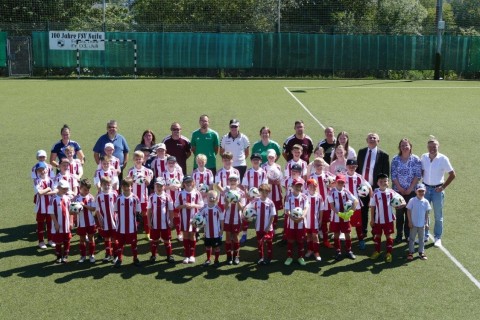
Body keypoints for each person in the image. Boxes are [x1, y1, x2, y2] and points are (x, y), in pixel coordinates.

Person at [420, 136, 455, 247]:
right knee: (424, 214)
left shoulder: (443, 159)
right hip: (425, 189)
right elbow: (421, 171)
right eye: (430, 146)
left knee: (438, 215)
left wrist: (443, 187)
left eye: (434, 146)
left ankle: (437, 237)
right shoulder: (424, 157)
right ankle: (425, 235)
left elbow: (452, 174)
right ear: (427, 147)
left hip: (437, 190)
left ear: (438, 146)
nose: (432, 148)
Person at [356, 132, 390, 235]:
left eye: (374, 138)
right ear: (367, 140)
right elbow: (358, 169)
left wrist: (383, 185)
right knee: (363, 209)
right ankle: (363, 231)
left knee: (376, 211)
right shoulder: (361, 152)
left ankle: (375, 232)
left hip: (376, 188)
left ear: (378, 141)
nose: (371, 139)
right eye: (370, 138)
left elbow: (385, 173)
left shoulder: (383, 155)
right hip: (362, 187)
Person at [391, 138, 422, 243]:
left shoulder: (416, 159)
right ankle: (399, 235)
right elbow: (393, 175)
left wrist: (410, 188)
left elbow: (417, 175)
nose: (404, 147)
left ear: (410, 147)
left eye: (406, 145)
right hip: (398, 192)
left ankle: (408, 235)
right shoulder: (395, 159)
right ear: (400, 147)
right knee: (399, 214)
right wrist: (400, 188)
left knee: (409, 214)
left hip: (411, 192)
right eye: (402, 145)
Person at [369, 173, 404, 263]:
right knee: (377, 235)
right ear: (377, 183)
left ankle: (389, 253)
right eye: (381, 181)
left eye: (385, 181)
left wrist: (400, 205)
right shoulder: (375, 193)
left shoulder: (391, 192)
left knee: (389, 236)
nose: (383, 182)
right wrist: (372, 219)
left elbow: (402, 200)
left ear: (388, 182)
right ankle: (377, 251)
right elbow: (372, 206)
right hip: (378, 220)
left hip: (388, 219)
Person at [328, 174, 359, 261]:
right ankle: (338, 251)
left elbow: (355, 201)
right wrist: (340, 214)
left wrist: (351, 211)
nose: (340, 183)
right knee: (336, 234)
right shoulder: (331, 192)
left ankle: (349, 251)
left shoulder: (346, 191)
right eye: (339, 181)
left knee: (347, 234)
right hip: (336, 217)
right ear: (336, 182)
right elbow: (332, 206)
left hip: (346, 217)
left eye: (342, 182)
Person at [175, 176, 204, 264]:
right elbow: (176, 206)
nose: (188, 184)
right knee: (185, 236)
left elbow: (201, 205)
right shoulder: (180, 193)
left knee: (192, 236)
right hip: (184, 218)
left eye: (190, 182)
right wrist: (184, 206)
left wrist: (193, 205)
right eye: (186, 182)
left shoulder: (197, 193)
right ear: (183, 184)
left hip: (194, 218)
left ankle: (192, 255)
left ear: (193, 183)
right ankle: (186, 255)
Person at [240, 153, 267, 244]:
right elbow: (245, 185)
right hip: (249, 199)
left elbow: (264, 185)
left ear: (260, 161)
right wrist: (248, 193)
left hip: (259, 198)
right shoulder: (248, 172)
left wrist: (259, 195)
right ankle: (244, 234)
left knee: (260, 217)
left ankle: (260, 234)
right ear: (251, 161)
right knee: (246, 216)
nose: (256, 161)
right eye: (254, 159)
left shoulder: (263, 172)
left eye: (258, 159)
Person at [114, 178, 141, 268]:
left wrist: (137, 223)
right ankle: (119, 259)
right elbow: (116, 211)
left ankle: (135, 258)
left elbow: (138, 212)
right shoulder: (118, 198)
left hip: (132, 227)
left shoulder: (135, 198)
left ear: (131, 187)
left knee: (134, 243)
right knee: (120, 244)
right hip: (120, 226)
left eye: (128, 186)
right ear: (122, 187)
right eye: (125, 186)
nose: (126, 188)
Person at [344, 159, 371, 250]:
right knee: (346, 224)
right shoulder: (342, 176)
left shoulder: (359, 177)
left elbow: (368, 186)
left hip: (357, 205)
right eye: (350, 166)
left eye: (354, 166)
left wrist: (371, 195)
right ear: (346, 166)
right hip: (345, 205)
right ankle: (347, 242)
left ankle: (361, 240)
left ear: (356, 167)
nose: (351, 168)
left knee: (358, 224)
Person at [147, 177, 175, 263]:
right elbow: (149, 210)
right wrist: (149, 222)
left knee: (167, 240)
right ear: (155, 186)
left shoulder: (167, 197)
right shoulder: (151, 197)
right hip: (154, 223)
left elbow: (170, 210)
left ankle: (169, 255)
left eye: (160, 186)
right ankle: (153, 255)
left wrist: (171, 221)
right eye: (157, 186)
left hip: (165, 223)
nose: (159, 188)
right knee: (154, 240)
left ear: (164, 187)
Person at [309, 157, 335, 248]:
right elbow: (306, 190)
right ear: (314, 166)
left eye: (321, 165)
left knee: (324, 222)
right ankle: (313, 241)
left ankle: (326, 240)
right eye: (317, 165)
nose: (319, 166)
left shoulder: (328, 175)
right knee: (314, 221)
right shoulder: (311, 177)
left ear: (324, 165)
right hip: (315, 204)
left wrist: (332, 184)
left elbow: (336, 183)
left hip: (326, 203)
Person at [127, 151, 154, 240]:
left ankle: (147, 233)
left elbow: (148, 183)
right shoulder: (131, 171)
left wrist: (143, 178)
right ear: (134, 160)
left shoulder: (147, 171)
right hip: (133, 197)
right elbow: (128, 183)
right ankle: (132, 232)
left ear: (143, 160)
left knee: (145, 214)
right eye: (136, 159)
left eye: (140, 159)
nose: (138, 160)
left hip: (143, 197)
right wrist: (133, 179)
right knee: (133, 215)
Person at [247, 184, 276, 265]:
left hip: (268, 228)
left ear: (268, 193)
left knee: (269, 242)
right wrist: (246, 215)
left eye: (266, 192)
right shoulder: (255, 200)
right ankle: (261, 258)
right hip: (258, 227)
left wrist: (268, 226)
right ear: (259, 192)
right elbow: (247, 208)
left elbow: (272, 215)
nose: (264, 193)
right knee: (260, 243)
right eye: (262, 191)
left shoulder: (270, 203)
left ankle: (269, 257)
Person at [222, 173, 245, 265]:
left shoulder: (241, 193)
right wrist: (228, 201)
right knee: (228, 238)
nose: (232, 182)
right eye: (231, 180)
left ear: (238, 182)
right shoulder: (226, 192)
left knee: (235, 238)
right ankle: (228, 257)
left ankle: (236, 256)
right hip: (227, 218)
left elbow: (242, 208)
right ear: (228, 181)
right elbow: (225, 207)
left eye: (234, 180)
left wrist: (237, 200)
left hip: (236, 218)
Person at [284, 178, 308, 266]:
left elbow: (306, 208)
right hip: (291, 223)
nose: (298, 187)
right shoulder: (288, 197)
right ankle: (289, 257)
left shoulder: (304, 197)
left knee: (300, 241)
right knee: (290, 240)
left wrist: (302, 217)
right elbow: (287, 210)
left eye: (300, 186)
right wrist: (292, 218)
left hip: (301, 223)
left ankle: (300, 257)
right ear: (292, 186)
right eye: (296, 185)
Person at [33, 162, 56, 249]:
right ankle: (41, 241)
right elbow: (39, 192)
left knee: (50, 224)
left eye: (43, 169)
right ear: (37, 172)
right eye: (40, 170)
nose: (42, 171)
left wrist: (46, 191)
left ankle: (50, 240)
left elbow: (55, 192)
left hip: (50, 206)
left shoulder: (51, 180)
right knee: (40, 225)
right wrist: (49, 189)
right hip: (40, 207)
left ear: (47, 169)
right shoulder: (36, 181)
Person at [48, 180, 72, 264]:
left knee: (67, 240)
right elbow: (51, 212)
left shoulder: (68, 198)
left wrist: (71, 221)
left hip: (66, 224)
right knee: (58, 241)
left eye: (66, 189)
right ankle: (58, 256)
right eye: (63, 188)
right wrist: (55, 223)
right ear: (58, 188)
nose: (65, 190)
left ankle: (65, 255)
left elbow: (70, 211)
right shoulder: (53, 199)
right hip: (58, 225)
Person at [94, 176, 118, 263]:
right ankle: (108, 254)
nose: (106, 186)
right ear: (101, 185)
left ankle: (116, 255)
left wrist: (118, 219)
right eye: (104, 184)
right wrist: (100, 220)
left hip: (114, 221)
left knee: (114, 238)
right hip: (104, 221)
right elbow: (97, 209)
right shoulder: (99, 196)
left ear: (110, 185)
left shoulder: (114, 194)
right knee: (106, 238)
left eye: (108, 184)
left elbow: (118, 207)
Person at [73, 179, 97, 263]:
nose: (87, 191)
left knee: (91, 238)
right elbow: (72, 212)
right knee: (82, 239)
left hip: (90, 222)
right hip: (81, 223)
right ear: (80, 188)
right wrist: (77, 208)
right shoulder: (76, 198)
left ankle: (92, 255)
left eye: (88, 189)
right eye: (85, 189)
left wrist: (85, 206)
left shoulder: (91, 197)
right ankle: (83, 256)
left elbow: (93, 209)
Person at [198, 190, 223, 267]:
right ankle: (208, 259)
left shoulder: (218, 208)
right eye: (210, 197)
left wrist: (222, 230)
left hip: (216, 232)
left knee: (217, 247)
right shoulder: (204, 208)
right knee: (208, 246)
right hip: (207, 232)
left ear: (216, 198)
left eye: (213, 197)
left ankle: (216, 260)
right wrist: (194, 222)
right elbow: (198, 217)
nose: (211, 198)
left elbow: (222, 220)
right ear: (206, 197)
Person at [407, 183, 431, 261]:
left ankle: (421, 252)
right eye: (419, 191)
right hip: (413, 224)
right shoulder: (412, 200)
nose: (421, 193)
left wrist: (426, 223)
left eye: (422, 191)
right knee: (412, 239)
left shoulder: (426, 202)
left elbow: (427, 213)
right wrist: (410, 222)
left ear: (425, 191)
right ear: (416, 191)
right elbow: (408, 210)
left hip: (422, 225)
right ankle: (411, 252)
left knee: (421, 239)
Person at [304, 179, 324, 261]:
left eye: (314, 186)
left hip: (315, 220)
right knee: (308, 236)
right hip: (306, 220)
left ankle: (316, 252)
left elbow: (321, 209)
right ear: (307, 187)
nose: (312, 187)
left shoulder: (319, 197)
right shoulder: (304, 195)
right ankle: (310, 250)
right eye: (310, 186)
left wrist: (320, 219)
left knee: (315, 236)